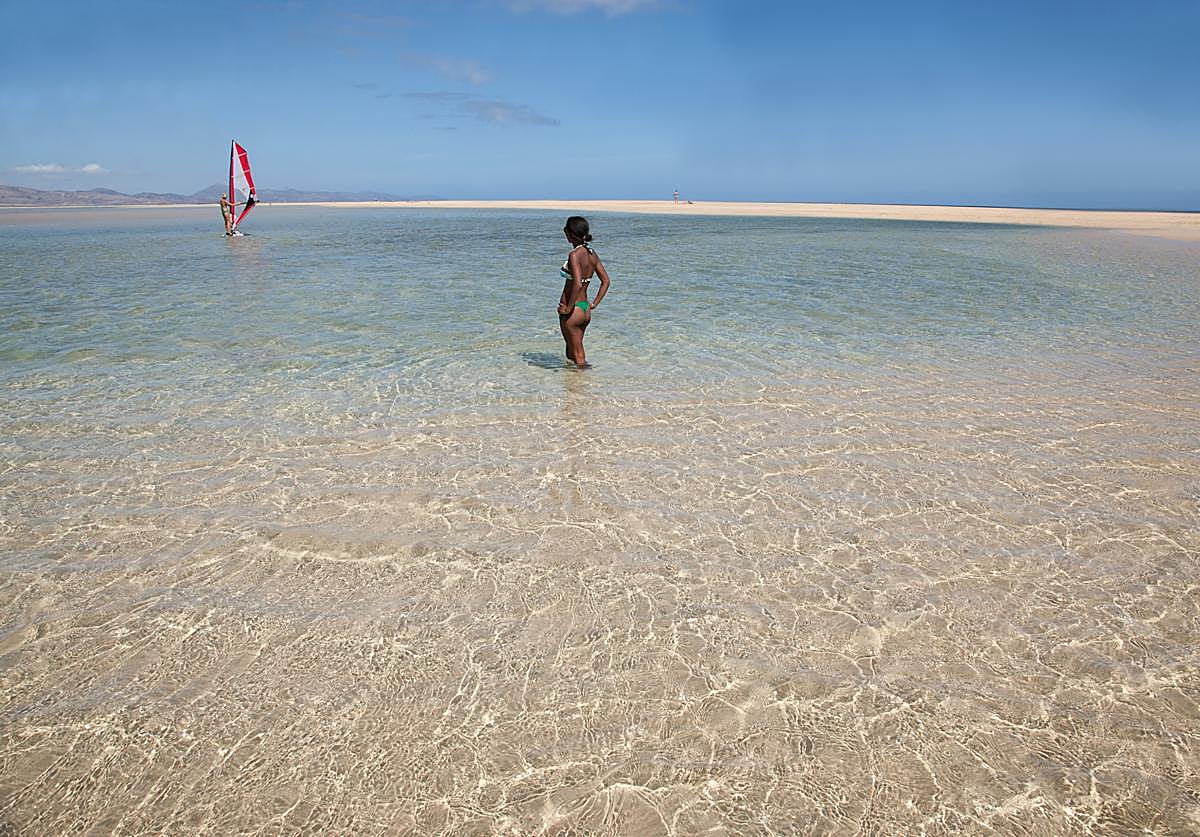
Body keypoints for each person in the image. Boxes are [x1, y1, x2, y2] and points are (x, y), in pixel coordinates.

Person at [556, 216, 611, 368]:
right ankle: (573, 381)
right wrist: (594, 304)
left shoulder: (574, 255)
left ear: (570, 233)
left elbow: (578, 283)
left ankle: (585, 381)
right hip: (584, 308)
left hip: (573, 310)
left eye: (566, 230)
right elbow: (606, 281)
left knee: (579, 356)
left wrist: (568, 308)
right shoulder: (591, 254)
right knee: (571, 353)